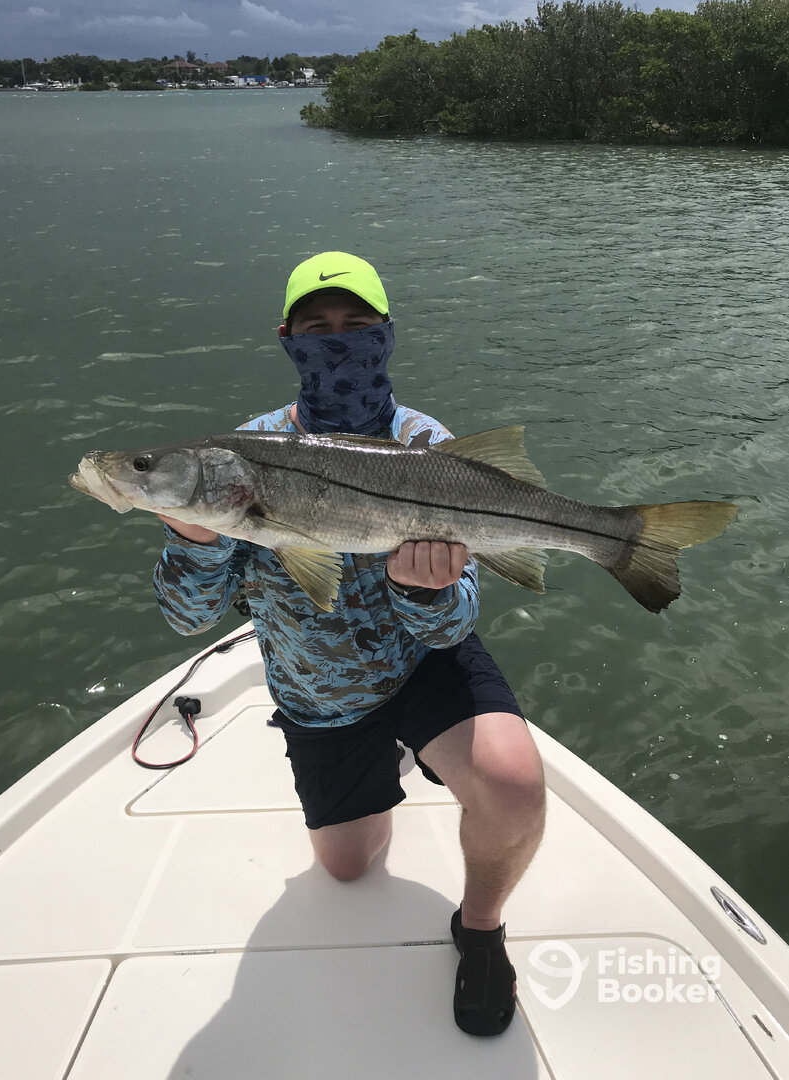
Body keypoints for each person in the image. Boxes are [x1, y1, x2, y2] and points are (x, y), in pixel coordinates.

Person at [153, 251, 546, 1037]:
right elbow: (190, 619)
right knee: (348, 868)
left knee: (513, 788)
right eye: (318, 326)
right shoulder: (237, 459)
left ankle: (481, 929)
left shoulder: (426, 442)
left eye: (356, 324)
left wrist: (424, 589)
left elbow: (453, 626)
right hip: (317, 689)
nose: (337, 340)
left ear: (386, 333)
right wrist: (193, 536)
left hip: (423, 664)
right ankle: (392, 762)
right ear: (288, 338)